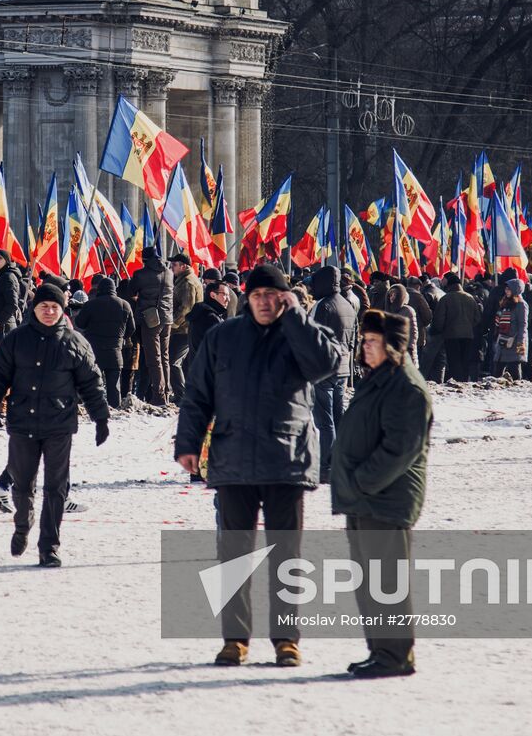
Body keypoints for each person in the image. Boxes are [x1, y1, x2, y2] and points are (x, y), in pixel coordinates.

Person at [174, 263, 344, 669]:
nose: (265, 303)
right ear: (245, 299)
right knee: (233, 556)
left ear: (284, 297)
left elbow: (327, 366)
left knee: (286, 557)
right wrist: (189, 443)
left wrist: (297, 319)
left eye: (273, 296)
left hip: (286, 461)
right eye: (257, 296)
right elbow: (198, 394)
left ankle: (287, 640)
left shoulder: (301, 333)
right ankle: (235, 640)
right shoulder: (222, 337)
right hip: (233, 460)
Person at [331, 309, 432, 678]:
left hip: (384, 499)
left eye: (372, 342)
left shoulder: (406, 386)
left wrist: (361, 481)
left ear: (393, 346)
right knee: (369, 580)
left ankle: (395, 654)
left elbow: (401, 450)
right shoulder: (380, 379)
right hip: (366, 499)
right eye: (364, 341)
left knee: (386, 581)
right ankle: (381, 650)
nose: (365, 347)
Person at [0, 281, 110, 567]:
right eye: (44, 307)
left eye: (54, 307)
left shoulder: (75, 342)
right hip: (22, 422)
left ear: (62, 309)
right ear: (34, 308)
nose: (49, 312)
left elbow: (92, 383)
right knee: (23, 484)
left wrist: (100, 417)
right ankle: (22, 525)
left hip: (59, 424)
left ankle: (49, 546)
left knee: (56, 488)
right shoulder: (16, 339)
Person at [307, 266, 357, 481]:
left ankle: (326, 466)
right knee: (338, 417)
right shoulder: (348, 304)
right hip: (343, 367)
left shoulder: (322, 305)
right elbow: (354, 338)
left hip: (323, 369)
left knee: (324, 420)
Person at [73, 274, 136, 409]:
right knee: (114, 386)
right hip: (115, 352)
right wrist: (121, 338)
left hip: (94, 352)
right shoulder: (125, 305)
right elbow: (132, 329)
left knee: (93, 383)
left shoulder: (91, 304)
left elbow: (80, 323)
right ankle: (114, 409)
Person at [129, 244, 174, 406]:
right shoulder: (169, 272)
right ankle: (167, 392)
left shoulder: (141, 274)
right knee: (165, 357)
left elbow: (131, 291)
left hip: (150, 319)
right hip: (167, 318)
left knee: (153, 359)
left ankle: (159, 395)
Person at [429, 272, 482, 382]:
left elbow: (439, 319)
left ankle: (457, 381)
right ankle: (464, 381)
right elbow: (477, 318)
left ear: (449, 285)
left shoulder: (446, 299)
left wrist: (438, 330)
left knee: (454, 361)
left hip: (451, 335)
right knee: (465, 360)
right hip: (468, 335)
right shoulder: (470, 298)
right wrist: (468, 326)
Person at [168, 254, 203, 401]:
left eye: (174, 264)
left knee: (172, 362)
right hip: (187, 329)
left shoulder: (187, 282)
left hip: (184, 330)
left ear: (184, 266)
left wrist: (173, 324)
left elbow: (186, 309)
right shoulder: (184, 280)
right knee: (184, 365)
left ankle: (181, 397)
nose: (172, 267)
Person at [493, 279, 529, 379]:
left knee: (514, 368)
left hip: (514, 341)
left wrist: (520, 342)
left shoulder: (521, 304)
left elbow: (523, 324)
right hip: (503, 340)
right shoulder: (505, 302)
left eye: (509, 289)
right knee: (498, 369)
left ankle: (517, 390)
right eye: (506, 288)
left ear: (515, 290)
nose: (506, 291)